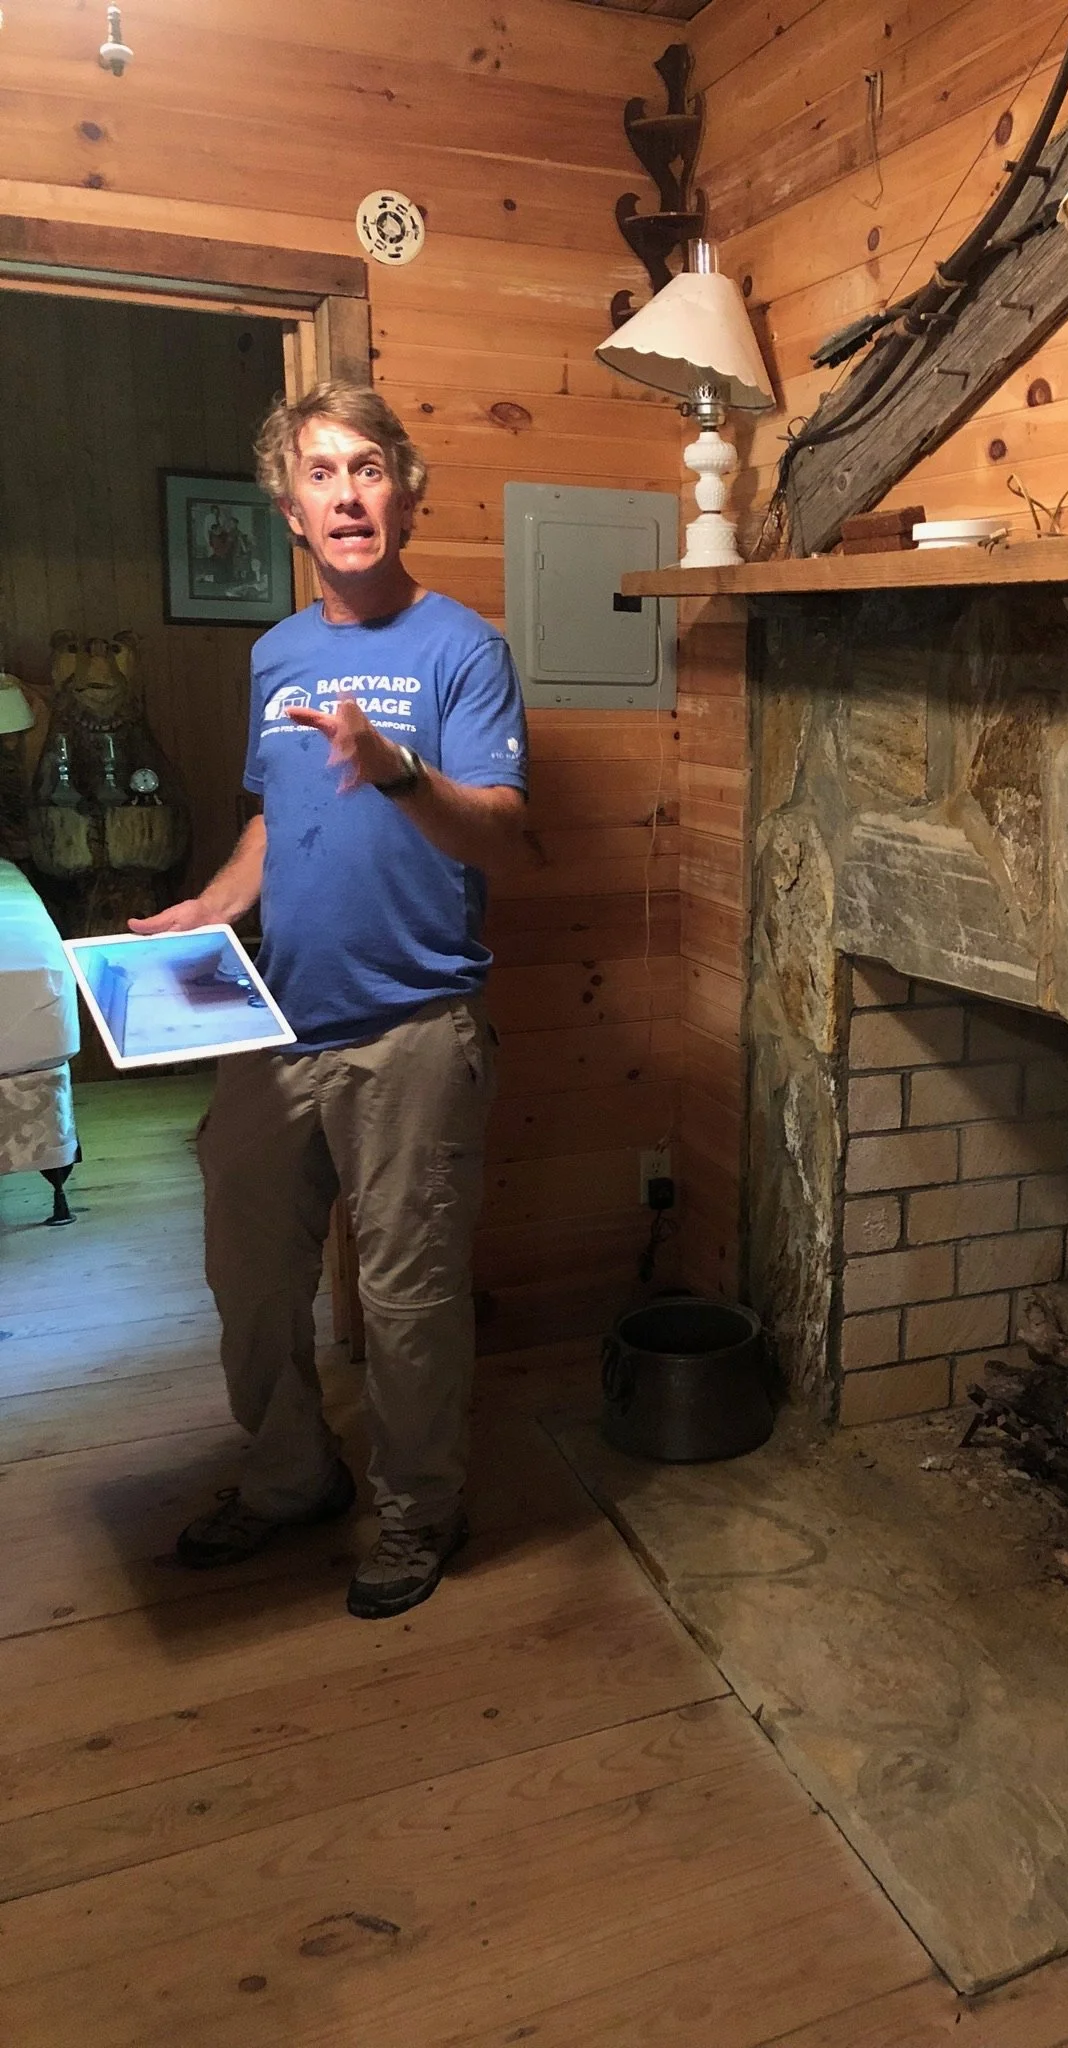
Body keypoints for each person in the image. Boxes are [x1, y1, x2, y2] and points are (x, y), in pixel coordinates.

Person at [130, 383, 527, 1619]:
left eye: (368, 468)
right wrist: (213, 906)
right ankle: (292, 1477)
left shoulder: (466, 648)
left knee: (408, 1305)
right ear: (291, 508)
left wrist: (403, 769)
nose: (347, 493)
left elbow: (505, 834)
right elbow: (269, 816)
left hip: (415, 1029)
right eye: (321, 473)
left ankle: (416, 1515)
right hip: (275, 1024)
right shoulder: (277, 655)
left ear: (405, 493)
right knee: (249, 1276)